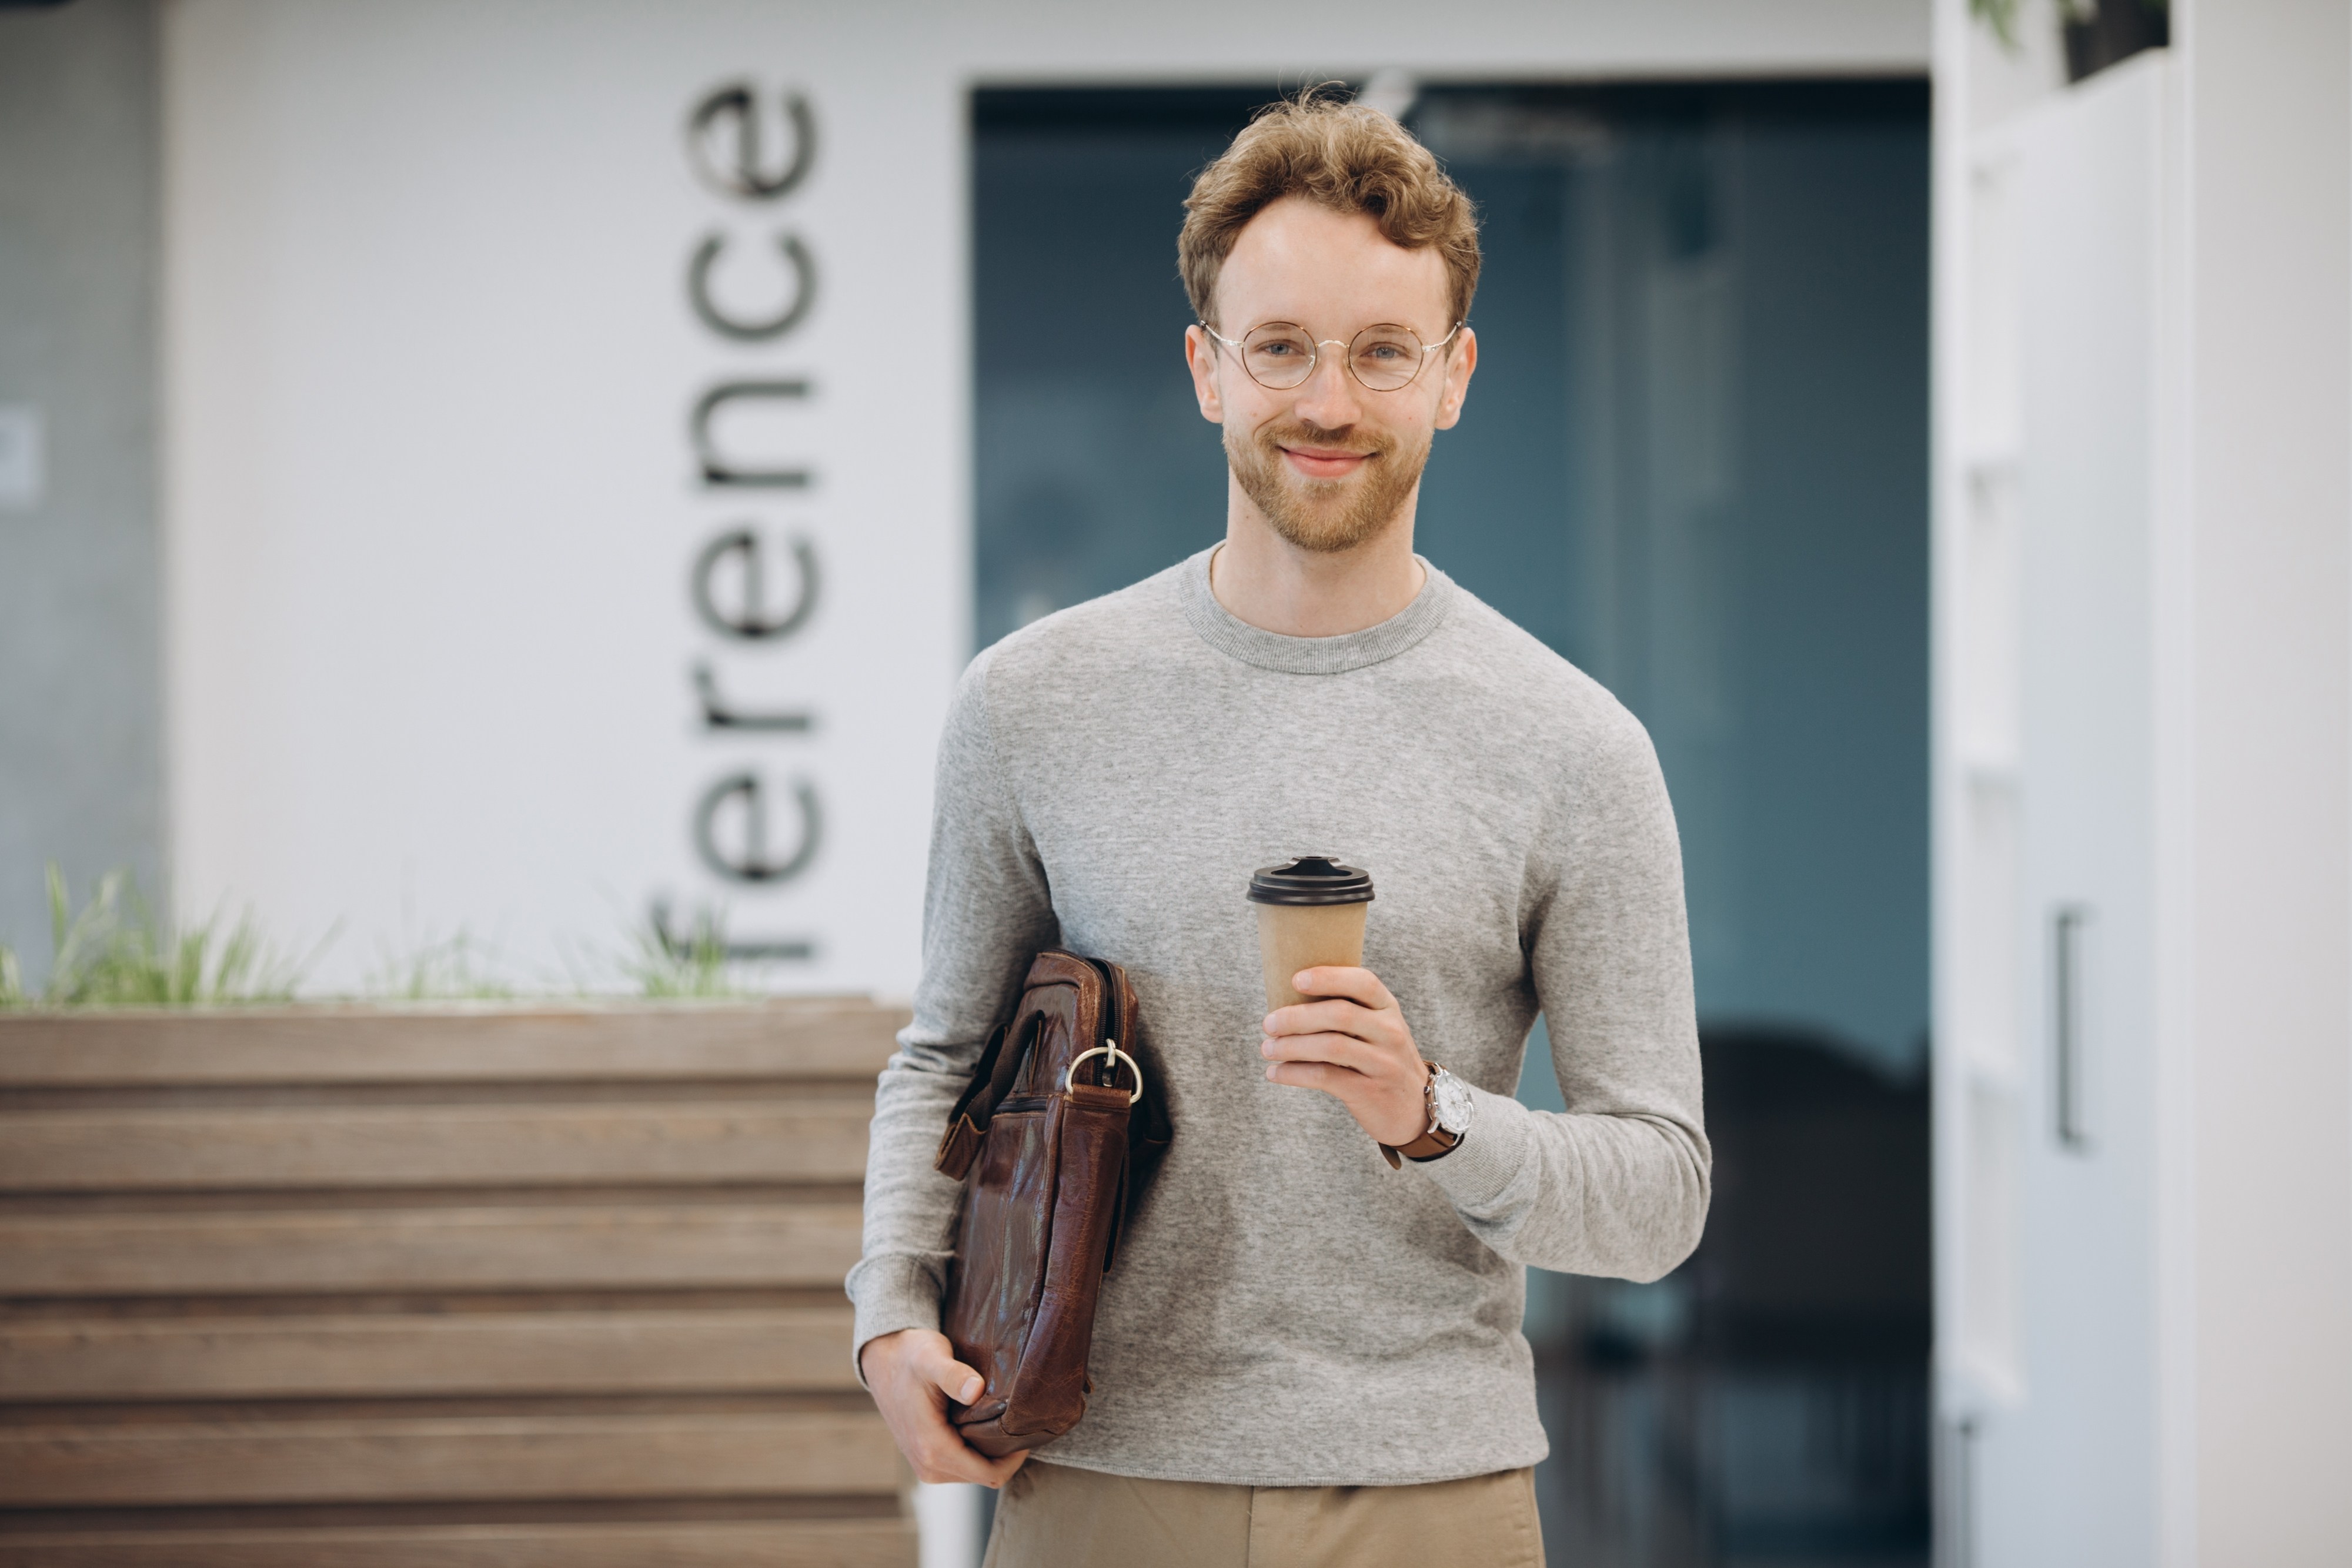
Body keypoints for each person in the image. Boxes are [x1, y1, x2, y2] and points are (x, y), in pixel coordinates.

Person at [849, 91, 1709, 1567]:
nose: (1328, 401)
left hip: (1428, 1490)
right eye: (1281, 348)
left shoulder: (1573, 746)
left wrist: (1427, 1115)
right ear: (1206, 369)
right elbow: (945, 1050)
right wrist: (888, 1307)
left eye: (1382, 351)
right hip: (1092, 1465)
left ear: (1453, 375)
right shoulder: (1031, 702)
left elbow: (1658, 1197)